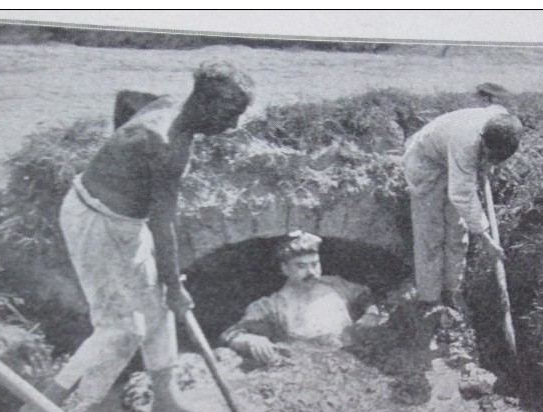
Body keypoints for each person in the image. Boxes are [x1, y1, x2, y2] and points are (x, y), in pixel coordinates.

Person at [20, 62, 254, 412]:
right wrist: (176, 284)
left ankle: (166, 401)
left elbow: (126, 99)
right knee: (121, 329)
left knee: (157, 306)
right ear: (207, 104)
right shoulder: (166, 146)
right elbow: (163, 224)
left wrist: (122, 169)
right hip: (97, 221)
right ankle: (45, 410)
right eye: (231, 115)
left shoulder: (170, 103)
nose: (234, 126)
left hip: (122, 220)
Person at [401, 105, 524, 315]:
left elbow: (465, 184)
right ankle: (430, 300)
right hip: (426, 161)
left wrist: (485, 163)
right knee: (431, 234)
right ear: (482, 138)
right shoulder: (466, 143)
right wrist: (487, 240)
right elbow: (462, 194)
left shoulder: (501, 121)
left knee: (457, 233)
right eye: (486, 154)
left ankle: (451, 292)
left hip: (453, 163)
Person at [220, 231, 379, 365]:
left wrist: (371, 313)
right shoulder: (270, 307)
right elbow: (232, 335)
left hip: (355, 361)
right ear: (285, 269)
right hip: (307, 370)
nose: (311, 272)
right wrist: (252, 341)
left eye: (315, 264)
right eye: (301, 266)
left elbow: (365, 296)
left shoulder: (335, 284)